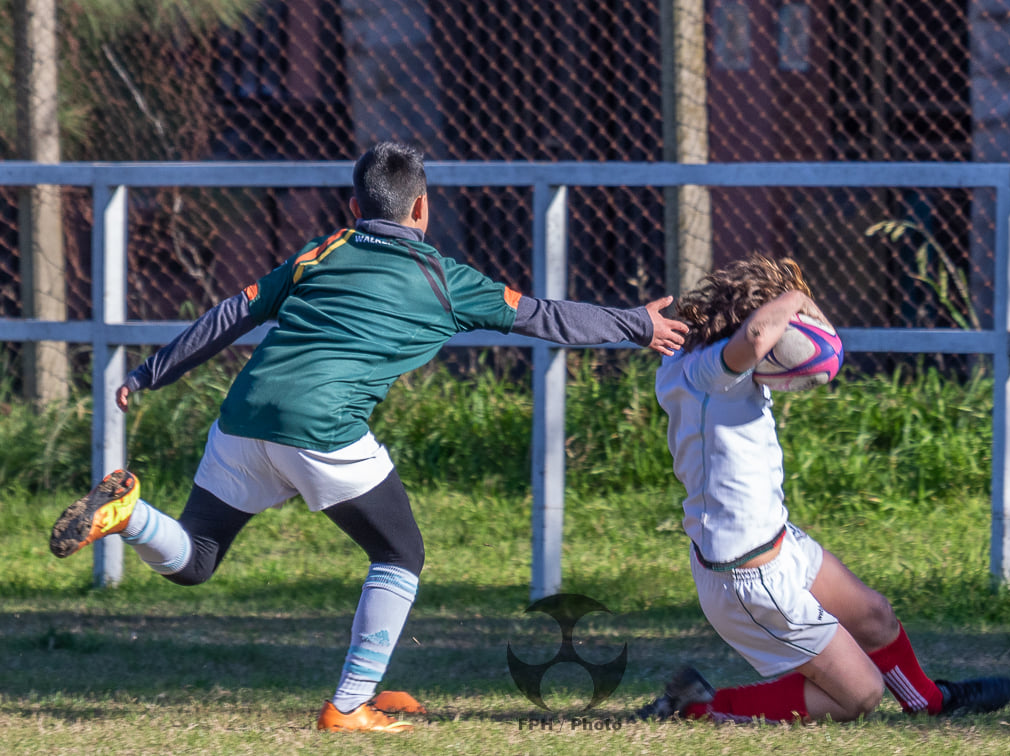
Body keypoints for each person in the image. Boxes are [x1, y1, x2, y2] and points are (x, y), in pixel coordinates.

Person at [49, 141, 689, 734]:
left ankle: (129, 516)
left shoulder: (322, 251)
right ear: (422, 208)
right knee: (399, 554)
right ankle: (350, 704)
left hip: (244, 415)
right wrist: (636, 324)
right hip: (321, 428)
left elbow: (234, 310)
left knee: (196, 559)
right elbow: (545, 316)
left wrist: (152, 371)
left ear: (354, 209)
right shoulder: (446, 279)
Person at [638, 253, 1010, 724]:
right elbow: (756, 337)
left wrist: (796, 317)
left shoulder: (688, 360)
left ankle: (928, 701)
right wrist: (793, 298)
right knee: (860, 694)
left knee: (875, 615)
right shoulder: (711, 372)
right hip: (748, 579)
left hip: (775, 543)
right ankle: (699, 708)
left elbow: (766, 339)